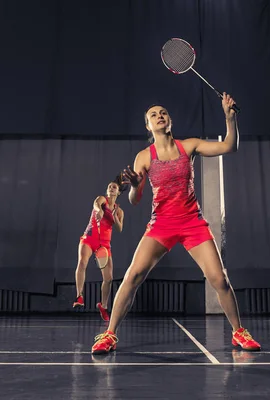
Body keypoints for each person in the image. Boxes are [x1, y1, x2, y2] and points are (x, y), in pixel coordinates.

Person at [91, 93, 261, 354]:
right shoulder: (143, 157)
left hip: (193, 222)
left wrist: (230, 119)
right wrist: (135, 186)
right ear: (148, 126)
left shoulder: (189, 146)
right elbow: (135, 200)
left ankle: (239, 332)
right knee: (132, 276)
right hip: (161, 225)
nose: (159, 116)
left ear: (169, 120)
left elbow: (230, 146)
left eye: (163, 113)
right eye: (153, 115)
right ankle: (110, 335)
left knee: (219, 279)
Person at [74, 174, 126, 321]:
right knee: (82, 262)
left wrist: (114, 216)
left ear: (118, 192)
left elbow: (119, 228)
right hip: (90, 238)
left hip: (104, 244)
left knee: (108, 279)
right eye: (109, 187)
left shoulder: (119, 211)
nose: (111, 189)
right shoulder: (102, 200)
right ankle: (79, 296)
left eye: (114, 187)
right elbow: (96, 204)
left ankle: (103, 306)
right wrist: (100, 211)